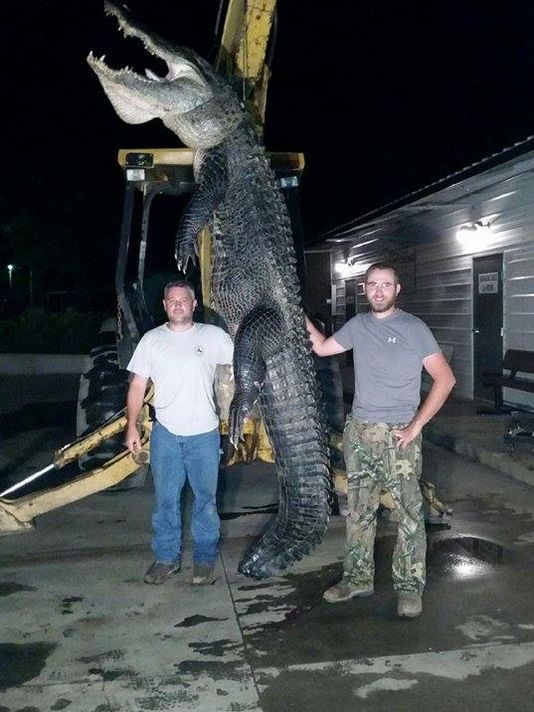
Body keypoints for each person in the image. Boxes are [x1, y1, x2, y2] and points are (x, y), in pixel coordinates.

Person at [306, 262, 455, 618]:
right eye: (373, 285)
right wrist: (297, 314)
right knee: (359, 512)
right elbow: (324, 347)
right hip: (359, 432)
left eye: (385, 285)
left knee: (408, 513)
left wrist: (416, 426)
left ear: (397, 290)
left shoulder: (414, 328)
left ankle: (408, 587)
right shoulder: (358, 325)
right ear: (364, 288)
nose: (378, 291)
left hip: (398, 436)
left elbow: (445, 380)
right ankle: (357, 578)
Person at [126, 280, 234, 586]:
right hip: (166, 436)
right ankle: (165, 559)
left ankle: (203, 560)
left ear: (193, 304)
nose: (177, 304)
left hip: (204, 435)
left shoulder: (213, 337)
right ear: (164, 305)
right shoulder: (151, 340)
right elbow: (137, 385)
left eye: (183, 300)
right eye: (171, 300)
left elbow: (241, 364)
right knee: (165, 502)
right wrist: (131, 426)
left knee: (205, 501)